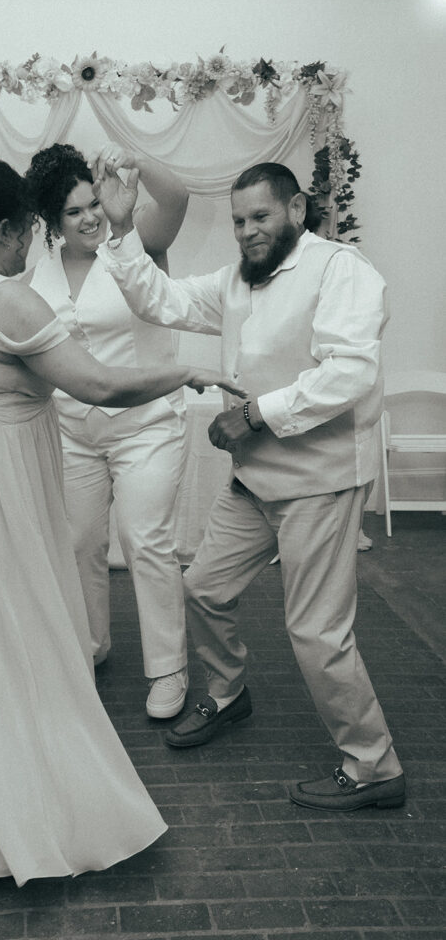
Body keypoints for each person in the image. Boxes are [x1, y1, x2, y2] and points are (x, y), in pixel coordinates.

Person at [0, 149, 244, 885]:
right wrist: (189, 368)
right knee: (9, 617)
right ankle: (16, 790)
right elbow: (98, 385)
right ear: (13, 226)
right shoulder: (7, 296)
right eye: (31, 228)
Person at [98, 160, 405, 813]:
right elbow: (164, 301)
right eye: (238, 220)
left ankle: (372, 765)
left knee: (316, 632)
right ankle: (228, 693)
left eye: (259, 216)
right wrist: (122, 229)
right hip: (254, 475)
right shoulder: (239, 279)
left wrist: (254, 413)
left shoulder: (339, 270)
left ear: (296, 209)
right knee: (204, 586)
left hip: (318, 482)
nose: (246, 231)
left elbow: (348, 373)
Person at [24, 142, 192, 719]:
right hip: (72, 431)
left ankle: (168, 668)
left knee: (146, 542)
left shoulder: (135, 242)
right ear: (51, 222)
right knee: (79, 544)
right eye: (74, 212)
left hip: (146, 425)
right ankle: (91, 645)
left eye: (93, 202)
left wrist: (137, 158)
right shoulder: (37, 275)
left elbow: (179, 196)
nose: (91, 216)